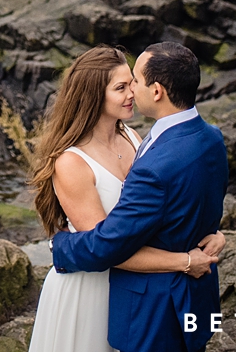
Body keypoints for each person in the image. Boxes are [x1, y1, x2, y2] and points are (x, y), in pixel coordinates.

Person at [29, 45, 225, 352]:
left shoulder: (136, 138)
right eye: (122, 86)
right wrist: (184, 261)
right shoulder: (71, 163)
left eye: (133, 82)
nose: (132, 91)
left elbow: (173, 203)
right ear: (93, 95)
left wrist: (211, 233)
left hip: (132, 291)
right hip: (90, 290)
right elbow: (104, 249)